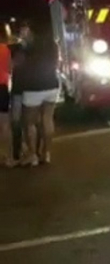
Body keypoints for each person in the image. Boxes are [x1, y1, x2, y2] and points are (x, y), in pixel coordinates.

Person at [22, 29, 60, 166]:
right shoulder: (53, 45)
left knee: (30, 122)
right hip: (51, 84)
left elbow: (21, 65)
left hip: (33, 86)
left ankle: (33, 155)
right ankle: (46, 153)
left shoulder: (28, 46)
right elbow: (57, 63)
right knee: (48, 119)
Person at [7, 21, 31, 166]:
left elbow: (10, 67)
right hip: (24, 88)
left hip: (22, 89)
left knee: (21, 122)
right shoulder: (18, 48)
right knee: (22, 122)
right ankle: (24, 153)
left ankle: (21, 154)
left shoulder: (16, 49)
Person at [0, 24, 12, 167]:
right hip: (1, 88)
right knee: (4, 124)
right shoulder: (4, 49)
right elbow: (9, 68)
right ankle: (8, 157)